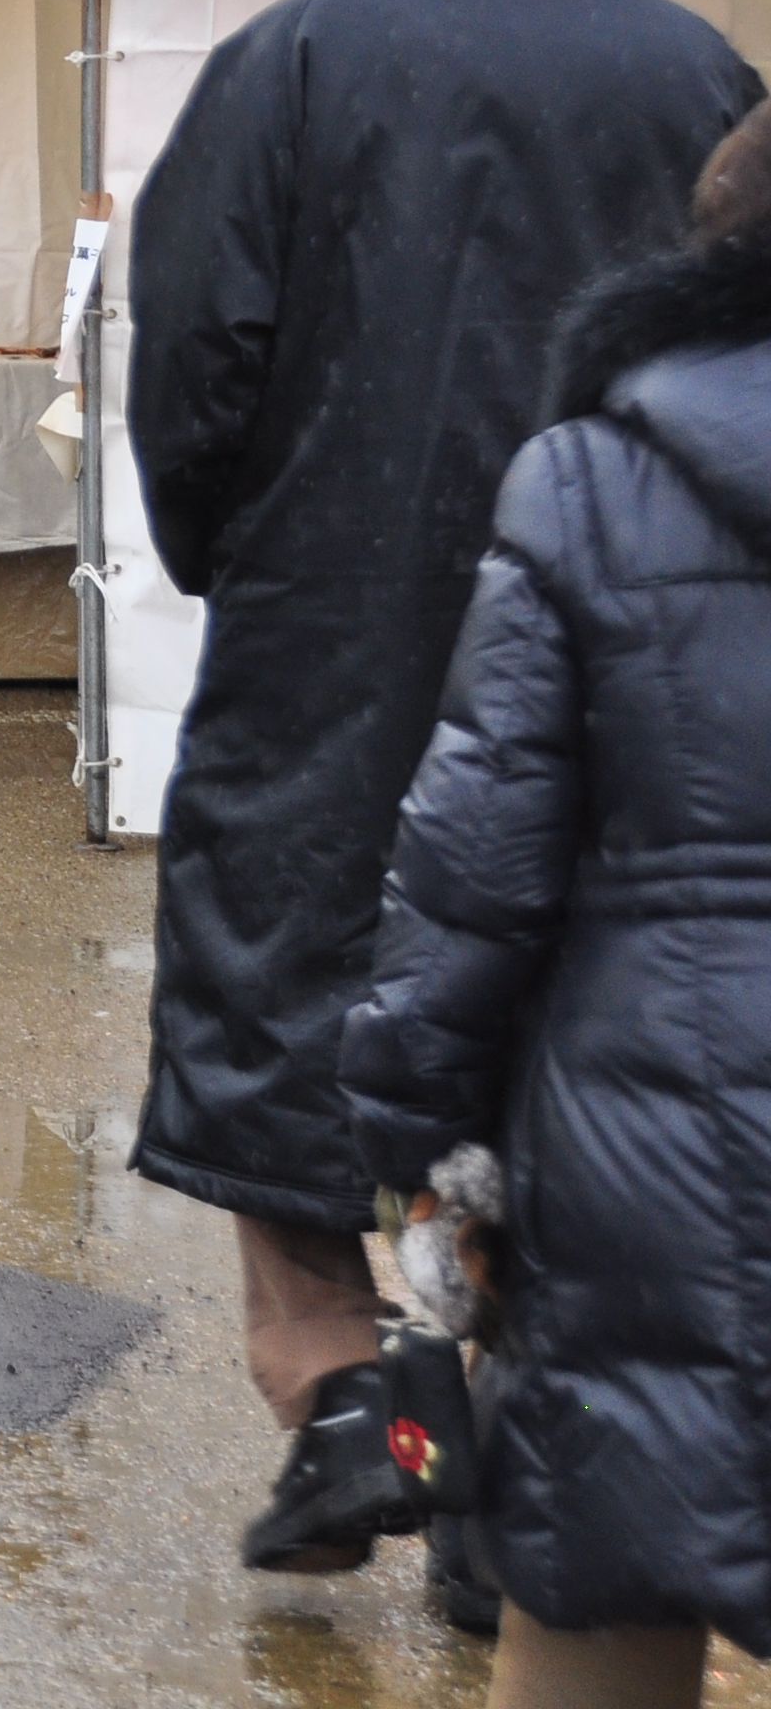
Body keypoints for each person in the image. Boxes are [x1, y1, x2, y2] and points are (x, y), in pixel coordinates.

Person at [127, 0, 764, 1573]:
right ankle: (517, 1506)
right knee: (552, 1048)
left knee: (288, 1023)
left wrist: (224, 548)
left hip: (333, 626)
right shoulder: (695, 71)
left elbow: (192, 359)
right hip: (625, 642)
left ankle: (358, 1403)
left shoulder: (289, 59)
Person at [333, 100, 771, 1700]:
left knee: (599, 1614)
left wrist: (410, 1138)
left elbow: (472, 868)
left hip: (650, 1157)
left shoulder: (592, 481)